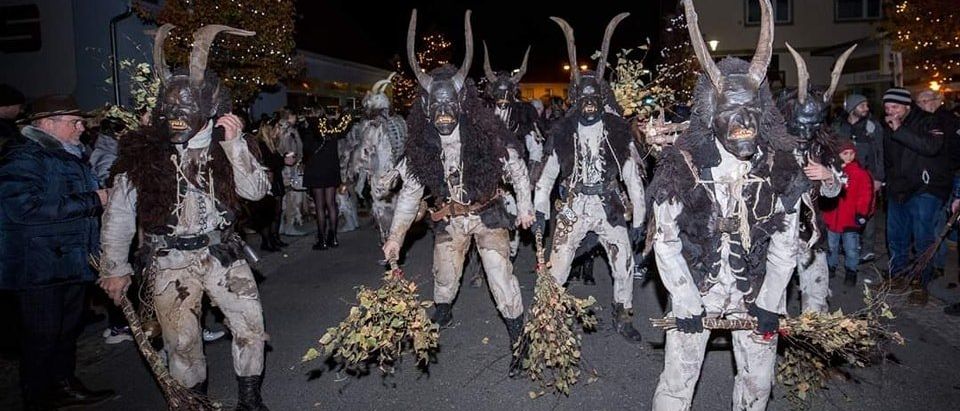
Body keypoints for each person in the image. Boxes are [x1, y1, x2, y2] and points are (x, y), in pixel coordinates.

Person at [97, 25, 271, 409]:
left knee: (251, 327)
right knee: (183, 343)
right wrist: (114, 265)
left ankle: (250, 400)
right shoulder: (144, 151)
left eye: (186, 108)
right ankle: (195, 404)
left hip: (222, 254)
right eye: (169, 108)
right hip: (169, 261)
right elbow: (120, 213)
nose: (176, 116)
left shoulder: (226, 144)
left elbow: (256, 192)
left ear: (210, 110)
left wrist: (235, 145)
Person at [650, 1, 803, 409]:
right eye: (731, 113)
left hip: (754, 290)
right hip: (697, 285)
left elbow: (787, 243)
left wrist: (770, 300)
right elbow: (664, 240)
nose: (744, 124)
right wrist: (684, 299)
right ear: (710, 114)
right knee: (678, 381)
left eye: (750, 112)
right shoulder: (681, 166)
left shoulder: (780, 167)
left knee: (758, 385)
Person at [382, 9, 534, 376]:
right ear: (427, 106)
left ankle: (520, 338)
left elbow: (515, 166)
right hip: (450, 219)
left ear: (462, 104)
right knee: (445, 278)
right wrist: (394, 238)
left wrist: (526, 206)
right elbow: (410, 195)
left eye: (451, 105)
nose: (445, 113)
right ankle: (444, 311)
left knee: (501, 278)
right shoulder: (421, 147)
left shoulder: (487, 132)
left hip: (487, 215)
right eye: (438, 106)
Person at [533, 13, 647, 343]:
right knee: (558, 267)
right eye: (582, 100)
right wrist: (540, 211)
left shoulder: (617, 132)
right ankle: (549, 316)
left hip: (608, 204)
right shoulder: (563, 133)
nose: (588, 106)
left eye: (593, 100)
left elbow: (631, 178)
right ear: (576, 102)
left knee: (623, 262)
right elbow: (546, 177)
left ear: (601, 100)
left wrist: (638, 218)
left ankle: (622, 314)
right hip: (572, 205)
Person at [0, 95, 116, 409]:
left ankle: (64, 385)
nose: (82, 127)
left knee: (66, 332)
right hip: (40, 267)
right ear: (47, 124)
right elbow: (22, 208)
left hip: (69, 261)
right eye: (74, 122)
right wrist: (95, 199)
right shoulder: (25, 156)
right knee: (41, 339)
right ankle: (37, 397)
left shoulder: (68, 154)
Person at [776, 43, 851, 313]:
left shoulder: (823, 149)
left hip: (811, 233)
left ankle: (813, 345)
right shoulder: (772, 148)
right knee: (773, 303)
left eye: (813, 125)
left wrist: (828, 176)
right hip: (775, 235)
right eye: (802, 125)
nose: (806, 131)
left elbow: (835, 190)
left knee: (816, 299)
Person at [882, 87, 947, 306]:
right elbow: (888, 157)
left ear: (907, 107)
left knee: (922, 240)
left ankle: (920, 283)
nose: (891, 112)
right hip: (897, 189)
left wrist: (900, 129)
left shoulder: (929, 121)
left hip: (923, 190)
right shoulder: (888, 124)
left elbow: (931, 147)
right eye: (887, 107)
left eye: (895, 107)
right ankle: (899, 276)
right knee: (897, 238)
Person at [344, 73, 408, 242]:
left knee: (383, 212)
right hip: (400, 176)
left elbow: (363, 154)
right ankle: (396, 247)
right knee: (398, 212)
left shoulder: (373, 126)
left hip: (382, 178)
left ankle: (390, 252)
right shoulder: (399, 121)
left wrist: (352, 170)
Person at [834, 93, 884, 262]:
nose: (866, 109)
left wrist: (878, 178)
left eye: (866, 105)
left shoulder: (872, 126)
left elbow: (879, 153)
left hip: (867, 176)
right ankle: (847, 243)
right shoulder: (839, 126)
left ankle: (868, 248)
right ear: (851, 108)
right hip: (845, 175)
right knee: (845, 208)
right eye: (862, 105)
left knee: (866, 211)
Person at [916, 90, 960, 279]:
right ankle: (930, 262)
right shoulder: (920, 121)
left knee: (936, 222)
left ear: (937, 101)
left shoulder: (947, 121)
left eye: (926, 100)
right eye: (919, 101)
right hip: (927, 179)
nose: (923, 104)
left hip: (945, 178)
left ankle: (936, 264)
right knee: (928, 223)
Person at [822, 140, 874, 286]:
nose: (849, 156)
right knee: (831, 246)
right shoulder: (832, 172)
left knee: (851, 248)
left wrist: (862, 214)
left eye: (852, 153)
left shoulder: (859, 174)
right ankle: (830, 267)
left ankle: (851, 270)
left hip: (850, 219)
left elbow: (866, 195)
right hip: (832, 218)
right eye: (845, 153)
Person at [303, 109, 346, 250]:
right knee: (331, 204)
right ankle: (333, 238)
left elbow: (306, 150)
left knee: (320, 206)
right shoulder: (331, 127)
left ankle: (322, 240)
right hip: (331, 170)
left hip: (316, 170)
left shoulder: (310, 129)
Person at [0, 83, 25, 152]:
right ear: (8, 106)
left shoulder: (7, 125)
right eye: (19, 107)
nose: (21, 111)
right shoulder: (4, 129)